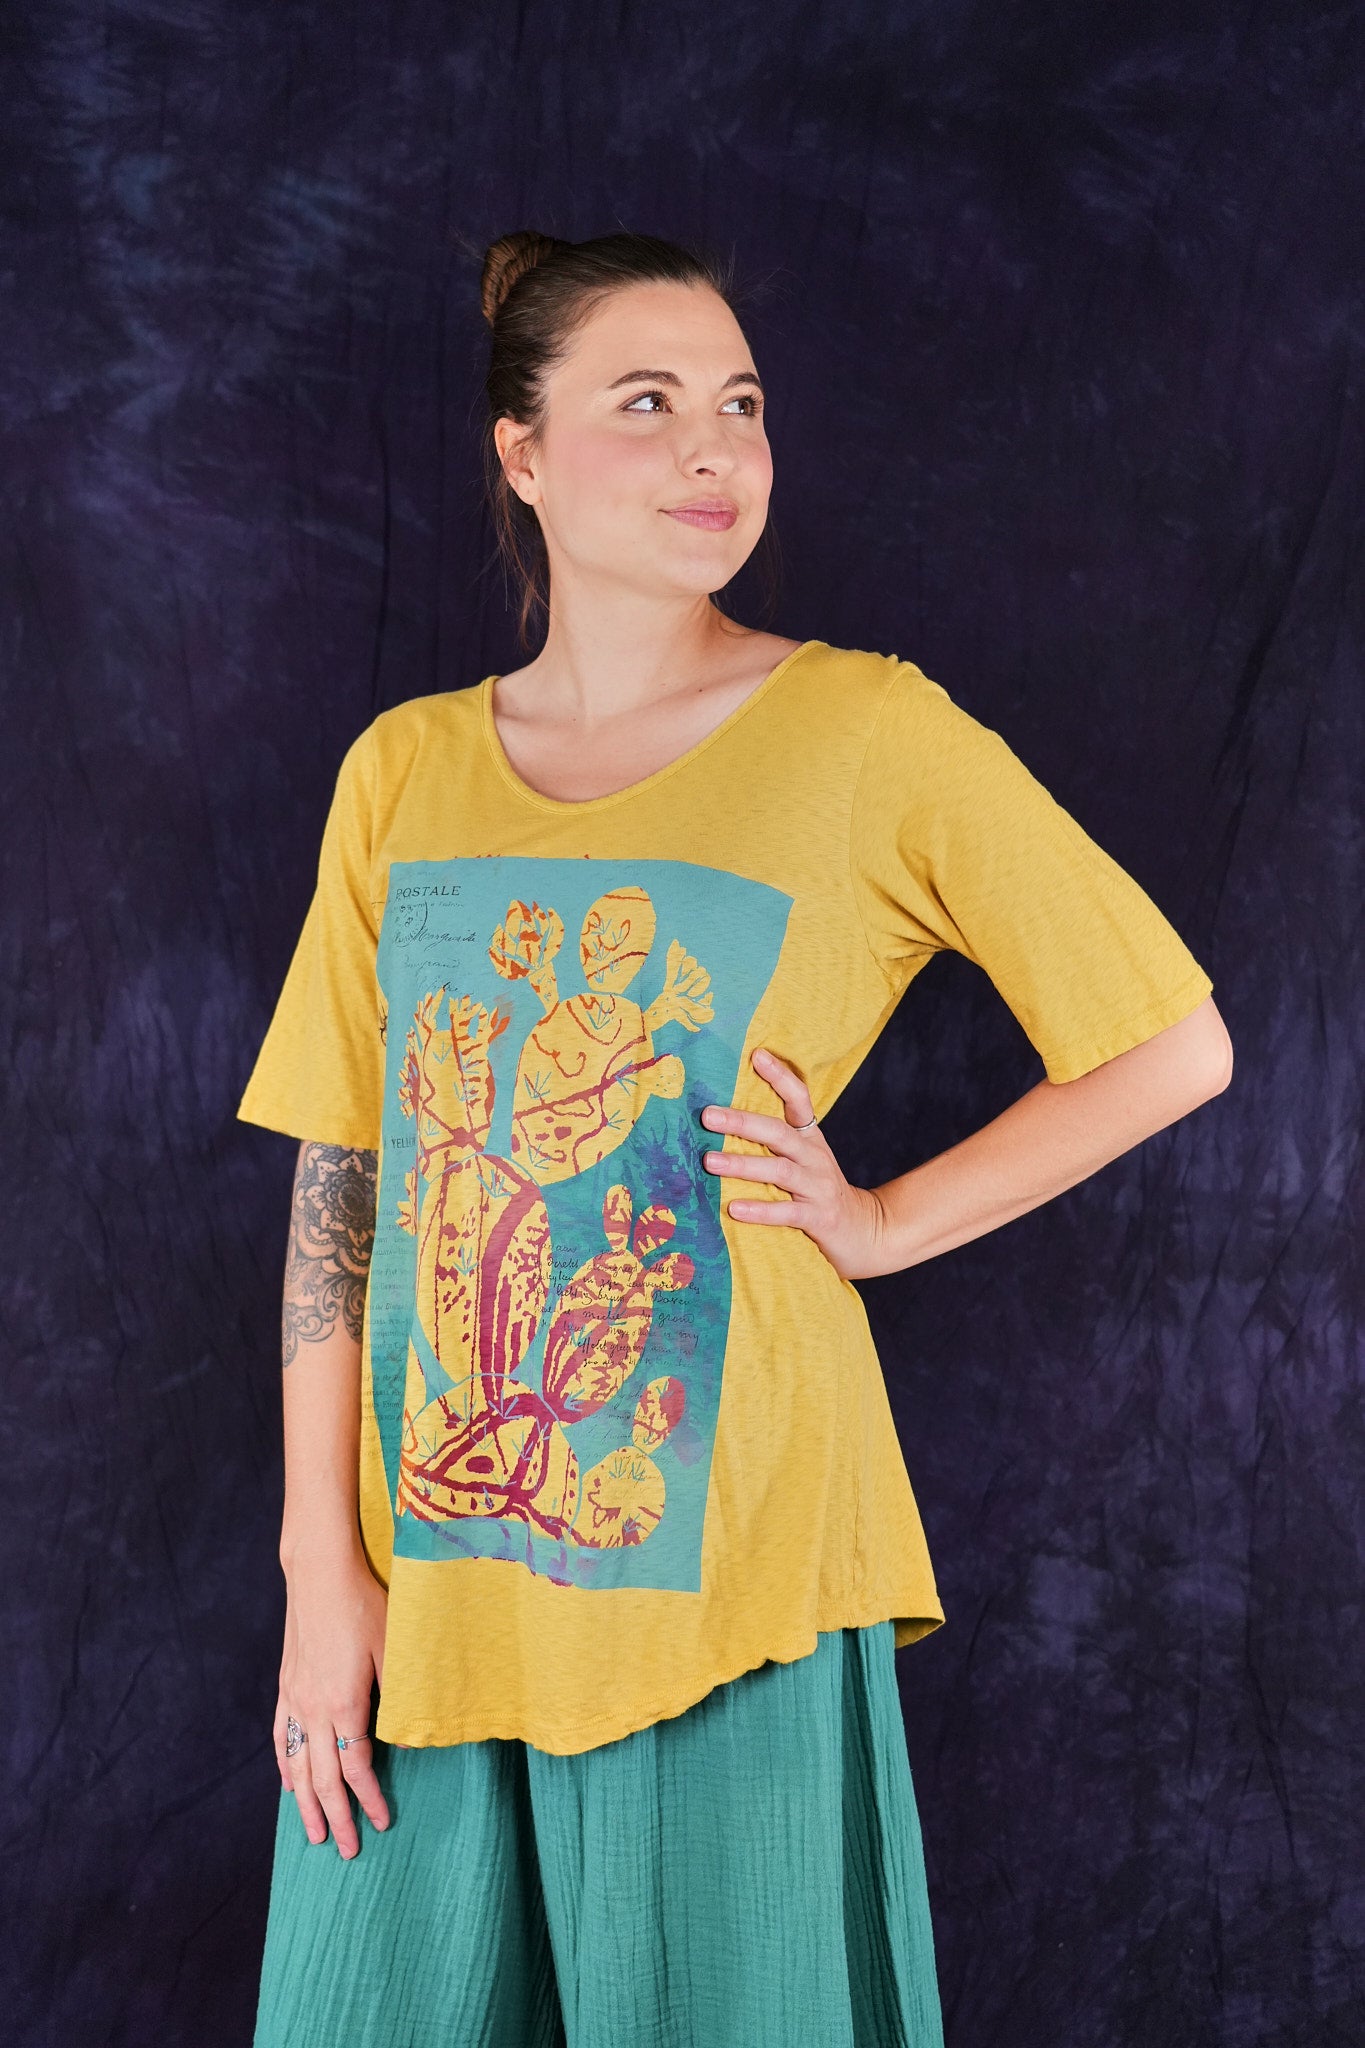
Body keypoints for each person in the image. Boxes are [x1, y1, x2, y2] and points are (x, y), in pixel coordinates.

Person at [236, 228, 1234, 2048]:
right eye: (647, 403)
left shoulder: (862, 729)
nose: (715, 450)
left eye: (742, 405)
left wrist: (883, 1221)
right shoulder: (402, 770)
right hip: (432, 1578)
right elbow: (345, 1177)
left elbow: (1171, 1043)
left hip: (731, 1568)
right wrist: (323, 1567)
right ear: (521, 453)